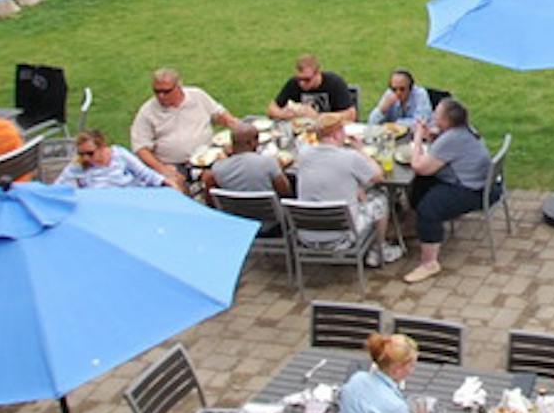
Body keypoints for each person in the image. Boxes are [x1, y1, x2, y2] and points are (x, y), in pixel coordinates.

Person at [403, 97, 494, 283]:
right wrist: (433, 136)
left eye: (436, 113)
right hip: (481, 182)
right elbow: (445, 146)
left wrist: (418, 137)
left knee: (429, 208)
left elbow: (419, 166)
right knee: (421, 183)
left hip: (472, 191)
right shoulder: (464, 130)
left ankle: (430, 263)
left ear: (445, 120)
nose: (433, 116)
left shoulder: (452, 138)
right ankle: (413, 226)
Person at [293, 126, 401, 265]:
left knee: (352, 189)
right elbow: (378, 176)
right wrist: (361, 150)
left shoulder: (303, 153)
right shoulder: (350, 157)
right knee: (381, 198)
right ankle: (378, 251)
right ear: (336, 135)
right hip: (342, 238)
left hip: (306, 235)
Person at [130, 68, 234, 186]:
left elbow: (219, 114)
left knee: (224, 175)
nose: (161, 96)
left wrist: (236, 125)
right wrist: (162, 168)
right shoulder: (148, 111)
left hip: (208, 156)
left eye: (166, 91)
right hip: (174, 165)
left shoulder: (197, 96)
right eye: (157, 91)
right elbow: (141, 148)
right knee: (175, 186)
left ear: (179, 86)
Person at [57, 126, 170, 191]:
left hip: (128, 197)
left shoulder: (119, 155)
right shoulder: (78, 165)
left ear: (102, 148)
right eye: (81, 154)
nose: (85, 158)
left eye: (90, 153)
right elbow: (59, 186)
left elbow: (144, 173)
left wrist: (165, 182)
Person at [206, 124, 290, 198]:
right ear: (252, 143)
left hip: (234, 214)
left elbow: (209, 192)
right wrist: (280, 169)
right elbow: (285, 192)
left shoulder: (218, 169)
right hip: (269, 214)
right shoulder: (269, 163)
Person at [271, 53, 353, 126]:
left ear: (318, 73)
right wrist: (288, 115)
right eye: (299, 79)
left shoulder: (334, 83)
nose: (302, 84)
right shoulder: (293, 83)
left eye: (307, 80)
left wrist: (318, 117)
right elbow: (271, 109)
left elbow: (351, 115)